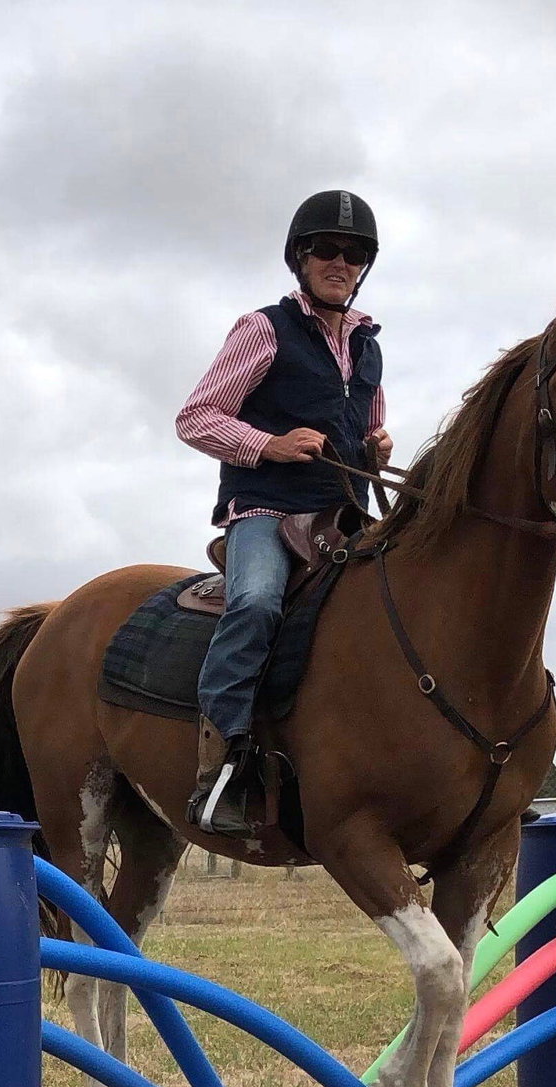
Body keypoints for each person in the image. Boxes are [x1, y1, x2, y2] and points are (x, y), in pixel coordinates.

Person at [175, 189, 392, 837]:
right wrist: (268, 444)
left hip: (343, 511)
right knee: (257, 602)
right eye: (327, 249)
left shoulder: (370, 345)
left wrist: (378, 444)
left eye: (353, 254)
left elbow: (370, 423)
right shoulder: (263, 328)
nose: (340, 262)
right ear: (300, 258)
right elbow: (196, 418)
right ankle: (221, 764)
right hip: (267, 508)